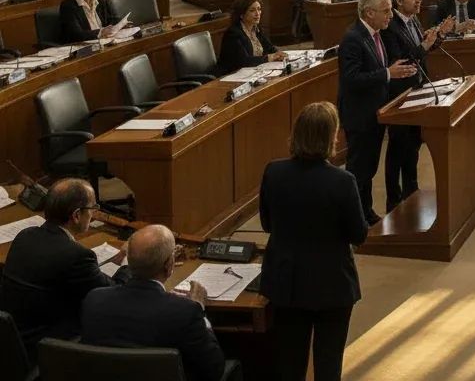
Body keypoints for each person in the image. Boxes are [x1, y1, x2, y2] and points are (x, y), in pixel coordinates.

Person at [259, 102, 366, 381]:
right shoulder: (343, 181)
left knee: (290, 363)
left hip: (287, 282)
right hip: (333, 285)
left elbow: (267, 224)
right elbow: (359, 235)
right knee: (328, 364)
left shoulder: (274, 172)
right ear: (332, 137)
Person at [81, 224, 231, 381]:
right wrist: (199, 309)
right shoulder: (186, 312)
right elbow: (214, 370)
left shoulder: (94, 300)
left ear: (129, 262)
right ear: (169, 265)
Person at [0, 179, 127, 352]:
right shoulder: (76, 256)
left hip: (13, 344)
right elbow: (116, 295)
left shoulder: (25, 236)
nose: (94, 214)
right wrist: (129, 261)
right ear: (76, 215)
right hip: (48, 349)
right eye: (92, 209)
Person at [338, 0, 418, 224]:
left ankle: (366, 212)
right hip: (359, 114)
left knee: (369, 167)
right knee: (359, 169)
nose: (390, 16)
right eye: (385, 11)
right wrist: (387, 73)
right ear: (369, 12)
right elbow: (351, 79)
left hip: (376, 111)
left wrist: (390, 70)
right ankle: (353, 219)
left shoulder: (375, 33)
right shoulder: (353, 38)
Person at [383, 0, 452, 210]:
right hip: (399, 94)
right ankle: (393, 199)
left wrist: (438, 36)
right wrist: (424, 46)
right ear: (399, 0)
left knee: (412, 145)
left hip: (417, 89)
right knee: (397, 148)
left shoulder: (412, 19)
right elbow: (400, 62)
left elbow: (422, 50)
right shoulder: (390, 26)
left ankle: (411, 190)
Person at [217, 0, 284, 75]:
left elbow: (270, 48)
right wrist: (269, 57)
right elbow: (244, 61)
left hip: (253, 72)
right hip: (232, 75)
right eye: (252, 10)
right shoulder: (233, 34)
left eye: (259, 9)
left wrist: (279, 54)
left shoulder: (256, 29)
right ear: (241, 14)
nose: (257, 13)